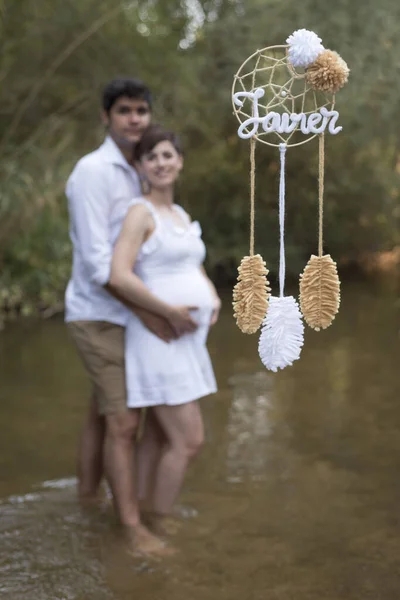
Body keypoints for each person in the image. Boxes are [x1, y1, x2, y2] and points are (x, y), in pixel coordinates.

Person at [65, 78, 198, 555]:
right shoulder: (93, 172)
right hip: (100, 312)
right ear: (106, 117)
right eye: (124, 110)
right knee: (123, 424)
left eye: (141, 110)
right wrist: (152, 313)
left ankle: (88, 501)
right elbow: (99, 263)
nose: (134, 119)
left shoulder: (136, 169)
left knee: (102, 417)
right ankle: (131, 528)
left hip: (130, 313)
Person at [109, 124, 221, 534]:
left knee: (158, 437)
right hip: (159, 337)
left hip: (187, 342)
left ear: (180, 162)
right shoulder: (141, 213)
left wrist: (212, 294)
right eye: (151, 156)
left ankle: (140, 511)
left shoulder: (181, 215)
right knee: (189, 440)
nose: (160, 163)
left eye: (167, 155)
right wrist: (169, 312)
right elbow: (119, 276)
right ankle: (159, 520)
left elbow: (192, 264)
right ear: (140, 166)